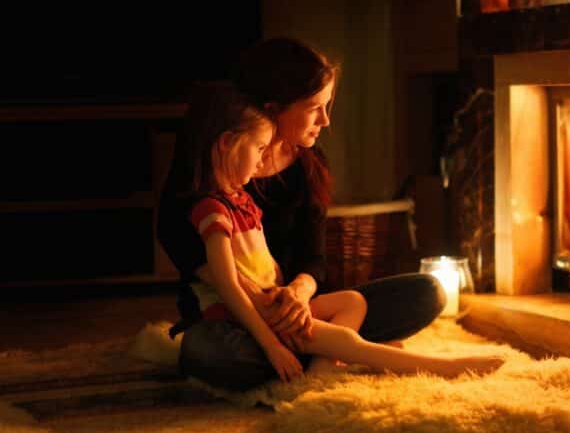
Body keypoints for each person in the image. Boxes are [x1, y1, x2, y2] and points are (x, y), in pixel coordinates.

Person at [157, 38, 491, 389]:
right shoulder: (216, 167)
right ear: (275, 109)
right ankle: (329, 353)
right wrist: (261, 301)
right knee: (209, 351)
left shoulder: (309, 166)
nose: (326, 120)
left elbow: (313, 258)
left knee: (427, 292)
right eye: (315, 107)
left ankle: (317, 354)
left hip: (302, 306)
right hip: (233, 312)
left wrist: (298, 293)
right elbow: (174, 233)